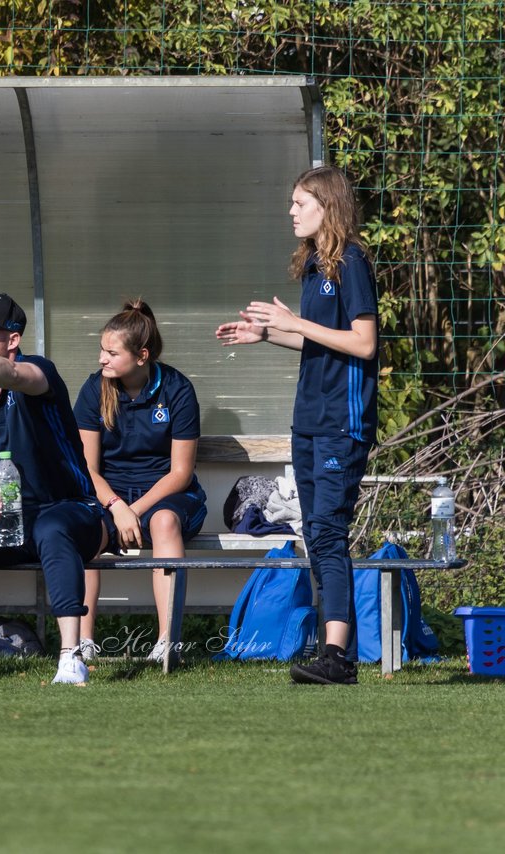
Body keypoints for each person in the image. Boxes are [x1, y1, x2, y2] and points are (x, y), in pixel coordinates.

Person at [216, 165, 378, 686]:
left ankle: (338, 655)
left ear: (326, 206)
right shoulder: (315, 264)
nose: (291, 211)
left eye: (299, 202)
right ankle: (332, 650)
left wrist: (295, 324)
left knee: (329, 529)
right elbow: (320, 340)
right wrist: (269, 336)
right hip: (309, 421)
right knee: (317, 531)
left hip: (341, 422)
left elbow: (363, 342)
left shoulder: (350, 261)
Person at [0, 293, 108, 685]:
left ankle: (71, 656)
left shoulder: (37, 372)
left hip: (73, 510)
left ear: (12, 340)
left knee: (53, 528)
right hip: (12, 518)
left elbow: (12, 376)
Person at [72, 300, 207, 664]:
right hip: (110, 496)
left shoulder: (178, 390)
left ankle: (168, 644)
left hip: (166, 497)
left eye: (112, 352)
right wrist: (117, 508)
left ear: (142, 355)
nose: (102, 358)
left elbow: (179, 474)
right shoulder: (93, 390)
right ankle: (82, 643)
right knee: (79, 526)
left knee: (164, 521)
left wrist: (134, 511)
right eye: (101, 349)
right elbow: (86, 469)